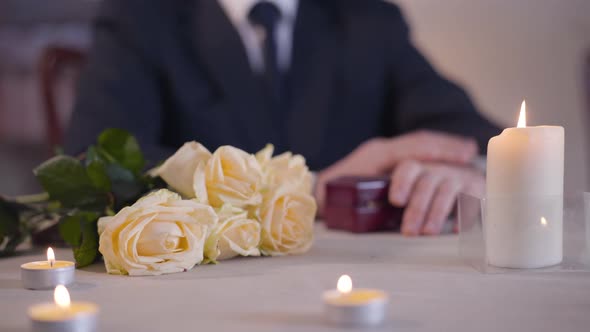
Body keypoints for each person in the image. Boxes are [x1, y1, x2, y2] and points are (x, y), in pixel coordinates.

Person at [65, 0, 500, 236]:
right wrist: (304, 189)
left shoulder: (367, 17)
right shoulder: (141, 17)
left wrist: (457, 169)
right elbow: (94, 165)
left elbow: (465, 130)